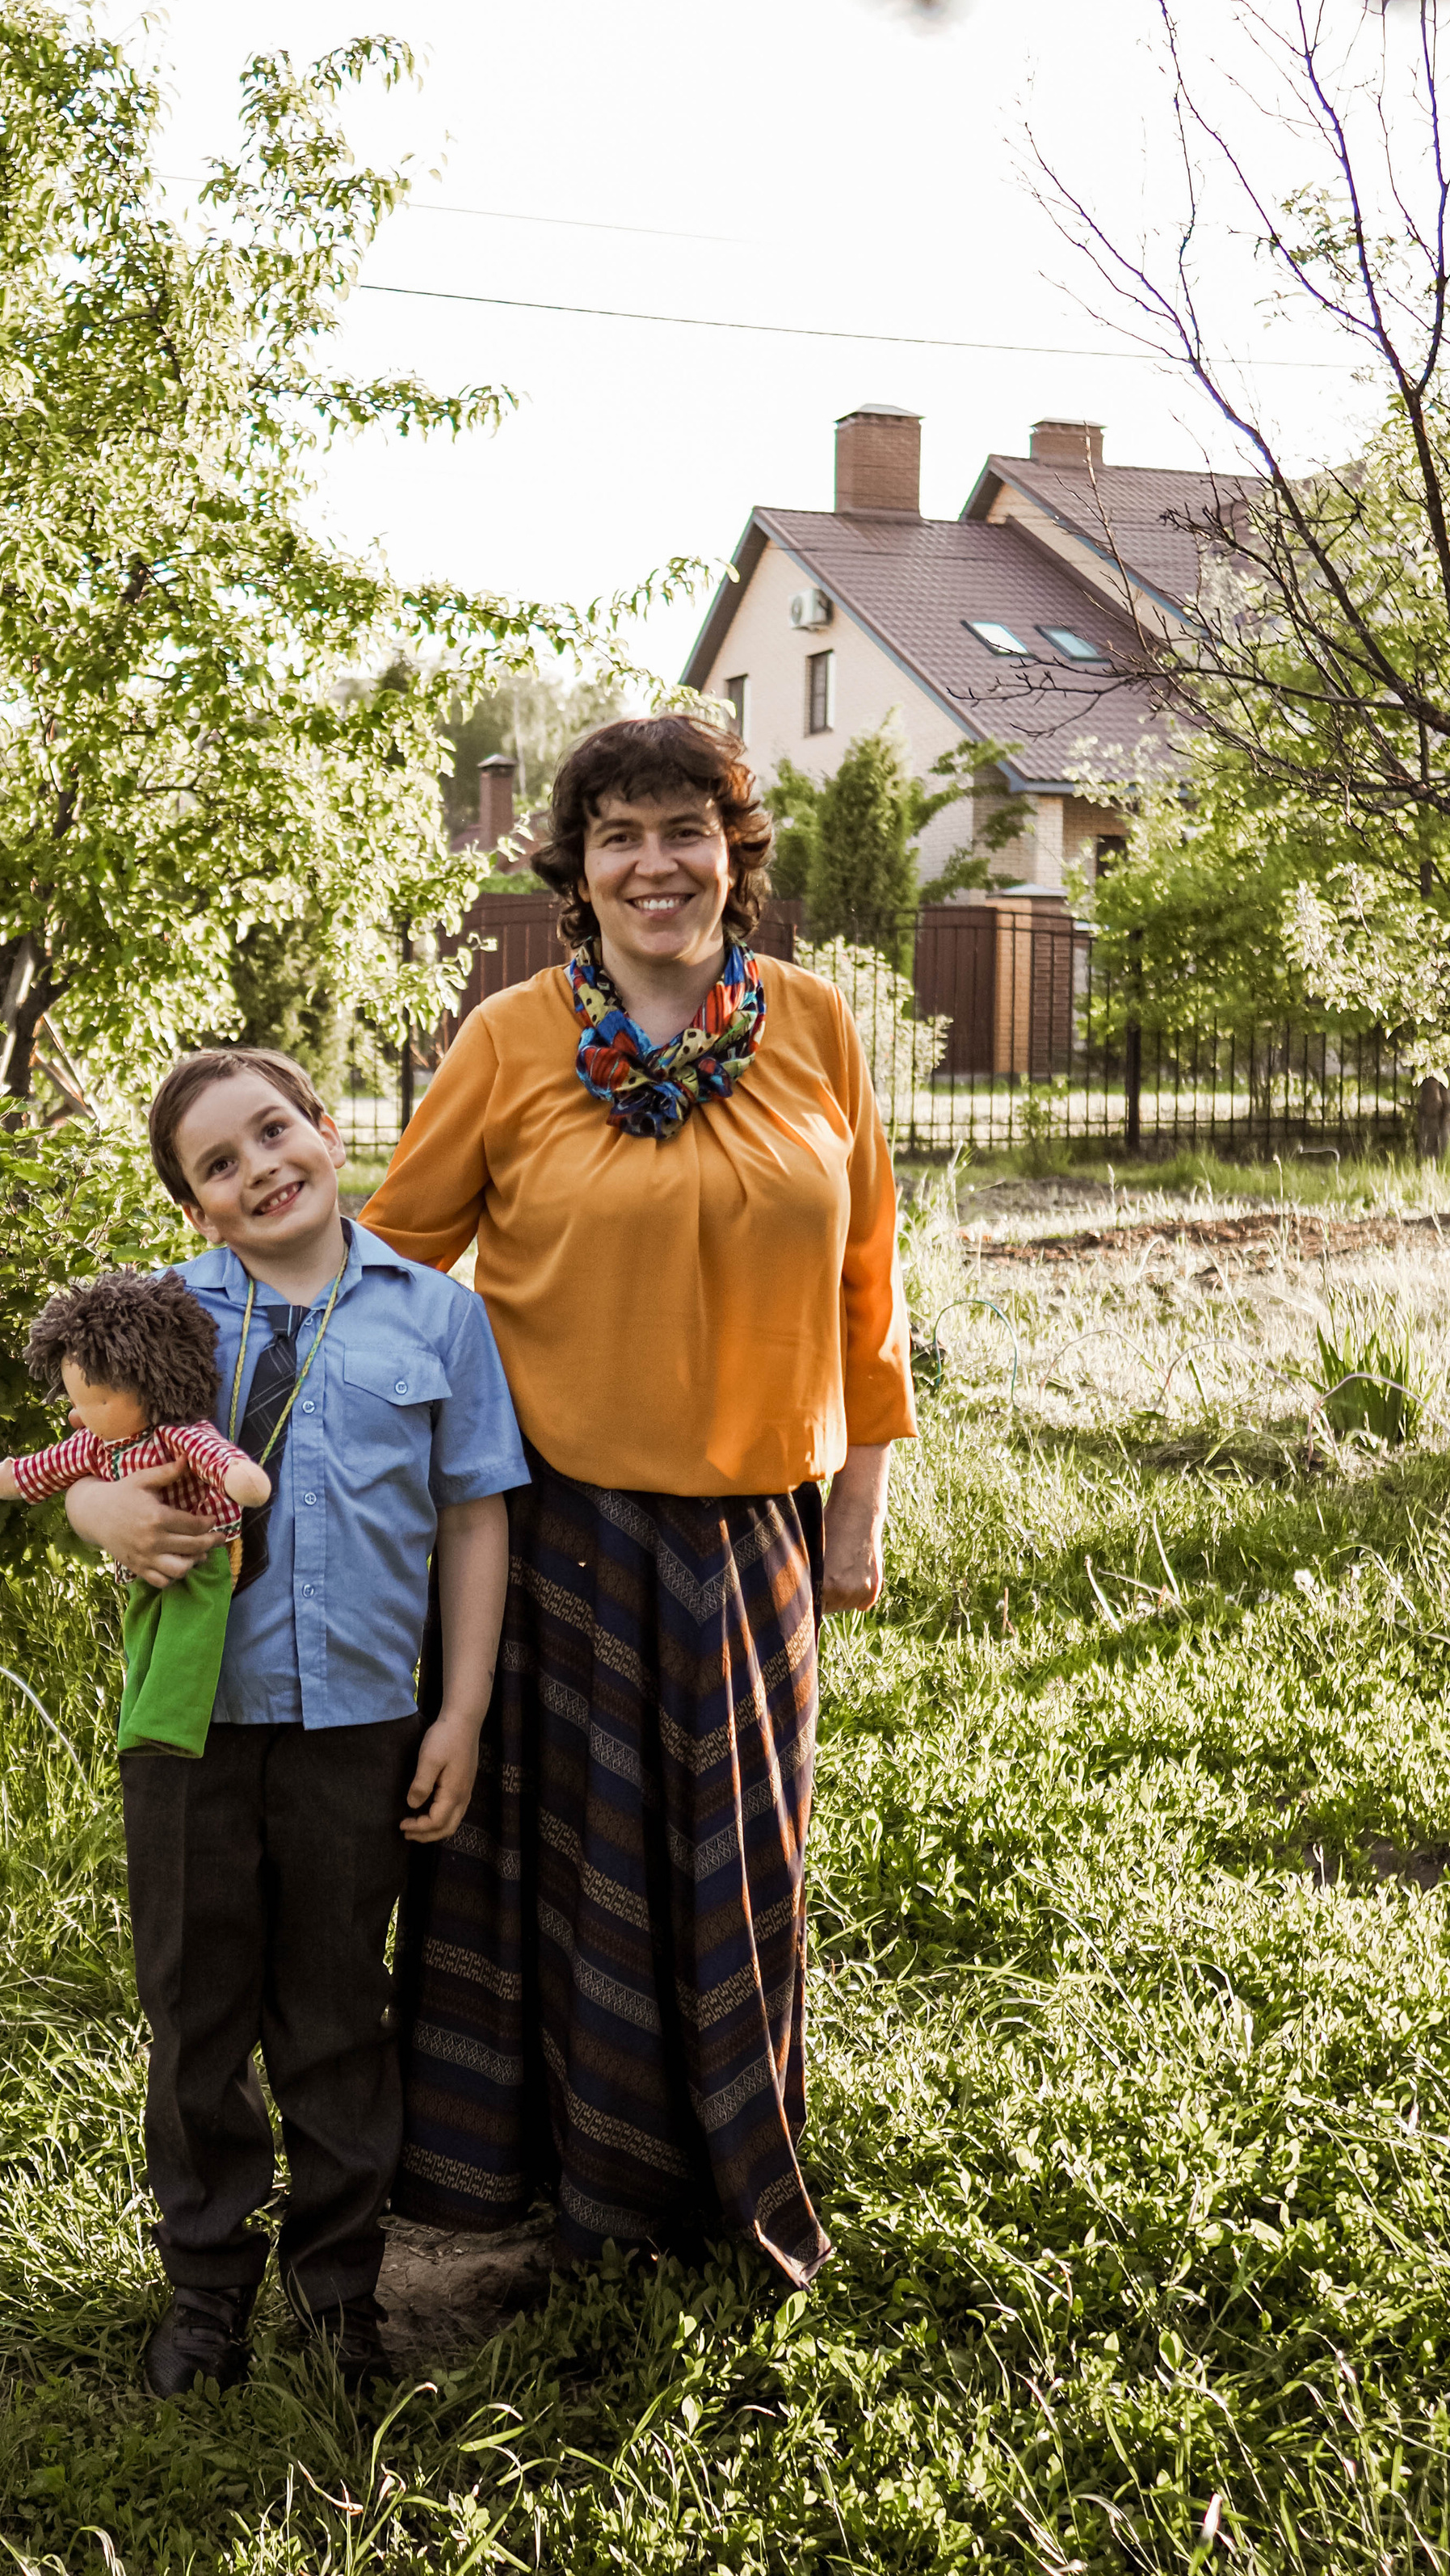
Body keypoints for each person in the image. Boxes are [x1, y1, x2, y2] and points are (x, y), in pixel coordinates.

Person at [358, 713, 917, 2289]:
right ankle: (506, 2207)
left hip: (752, 1535)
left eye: (684, 829)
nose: (652, 862)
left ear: (733, 856)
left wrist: (857, 1493)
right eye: (617, 834)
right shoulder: (511, 1037)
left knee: (727, 1876)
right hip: (548, 1536)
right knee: (541, 1881)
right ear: (576, 866)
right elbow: (394, 1268)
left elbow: (867, 1273)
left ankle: (707, 2196)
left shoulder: (812, 1024)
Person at [62, 1046, 528, 2395]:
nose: (259, 1166)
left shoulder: (439, 1318)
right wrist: (97, 1508)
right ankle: (207, 2288)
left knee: (335, 2008)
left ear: (328, 1130)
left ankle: (338, 2295)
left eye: (273, 1131)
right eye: (219, 1163)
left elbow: (474, 1513)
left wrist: (467, 1706)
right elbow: (81, 1457)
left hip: (362, 1721)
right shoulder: (159, 1322)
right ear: (198, 1210)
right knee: (196, 2006)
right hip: (191, 1729)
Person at [0, 1269, 271, 1755]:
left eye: (100, 1399)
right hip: (141, 1564)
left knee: (188, 1633)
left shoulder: (175, 1433)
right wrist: (17, 1479)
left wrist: (239, 1479)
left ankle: (169, 1724)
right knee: (142, 1631)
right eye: (80, 1401)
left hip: (204, 1551)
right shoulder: (95, 1444)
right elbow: (45, 1469)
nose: (83, 1414)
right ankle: (140, 1724)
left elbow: (217, 1459)